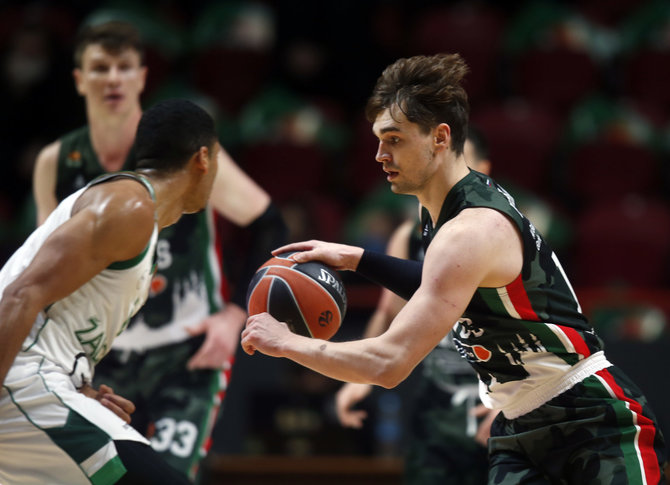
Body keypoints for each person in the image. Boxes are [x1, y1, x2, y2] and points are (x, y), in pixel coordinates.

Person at [241, 53, 667, 484]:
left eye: (394, 139)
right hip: (518, 425)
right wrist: (358, 259)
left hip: (589, 419)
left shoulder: (469, 230)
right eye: (377, 140)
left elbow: (389, 363)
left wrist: (286, 343)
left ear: (440, 137)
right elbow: (443, 285)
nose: (378, 154)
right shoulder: (445, 212)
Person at [31, 20, 287, 481]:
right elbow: (44, 280)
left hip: (183, 353)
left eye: (124, 67)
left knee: (168, 474)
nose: (113, 79)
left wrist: (234, 316)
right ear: (79, 79)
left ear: (142, 77)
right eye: (100, 67)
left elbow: (270, 224)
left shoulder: (183, 146)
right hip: (100, 356)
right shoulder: (56, 161)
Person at [0, 98, 219, 485]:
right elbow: (20, 295)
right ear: (203, 158)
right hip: (20, 380)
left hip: (36, 383)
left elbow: (53, 317)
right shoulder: (129, 206)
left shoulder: (137, 217)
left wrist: (80, 390)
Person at [335, 127, 493, 485]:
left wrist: (518, 399)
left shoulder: (503, 230)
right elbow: (388, 314)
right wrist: (359, 378)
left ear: (484, 168)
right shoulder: (409, 235)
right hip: (436, 413)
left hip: (501, 406)